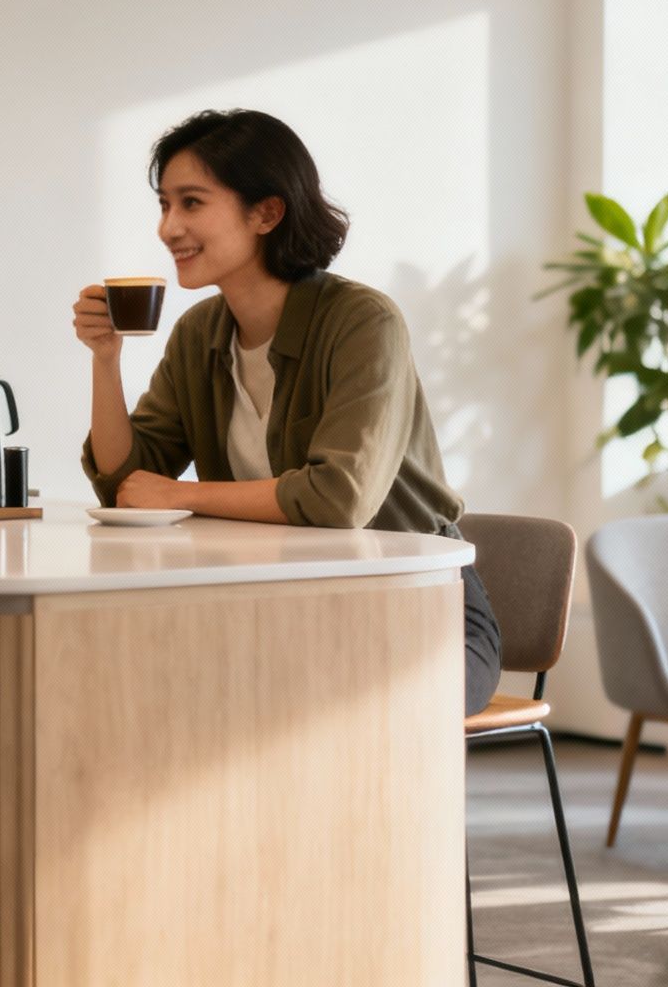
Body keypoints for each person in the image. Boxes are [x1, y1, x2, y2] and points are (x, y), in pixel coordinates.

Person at [72, 109, 501, 715]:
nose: (169, 227)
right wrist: (105, 360)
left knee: (331, 699)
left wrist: (179, 496)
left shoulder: (362, 322)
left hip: (422, 604)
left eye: (191, 203)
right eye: (164, 205)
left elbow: (337, 499)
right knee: (158, 682)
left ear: (267, 212)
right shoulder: (200, 333)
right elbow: (127, 483)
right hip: (281, 598)